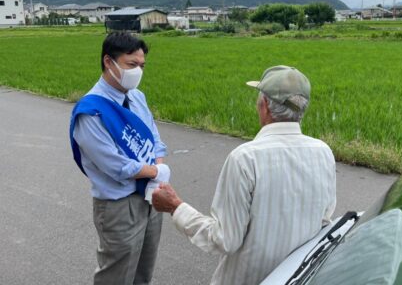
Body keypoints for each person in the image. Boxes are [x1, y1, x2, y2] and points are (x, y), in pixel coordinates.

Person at [152, 65, 336, 285]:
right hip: (299, 277)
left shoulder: (246, 158)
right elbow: (324, 222)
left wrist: (175, 207)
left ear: (265, 105)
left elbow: (224, 240)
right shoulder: (323, 152)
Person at [69, 32, 170, 285]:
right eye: (131, 65)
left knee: (143, 272)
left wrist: (158, 168)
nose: (138, 71)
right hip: (119, 206)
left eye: (142, 66)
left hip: (150, 196)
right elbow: (116, 166)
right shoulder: (91, 112)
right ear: (108, 62)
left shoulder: (137, 97)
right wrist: (157, 172)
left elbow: (155, 139)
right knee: (116, 276)